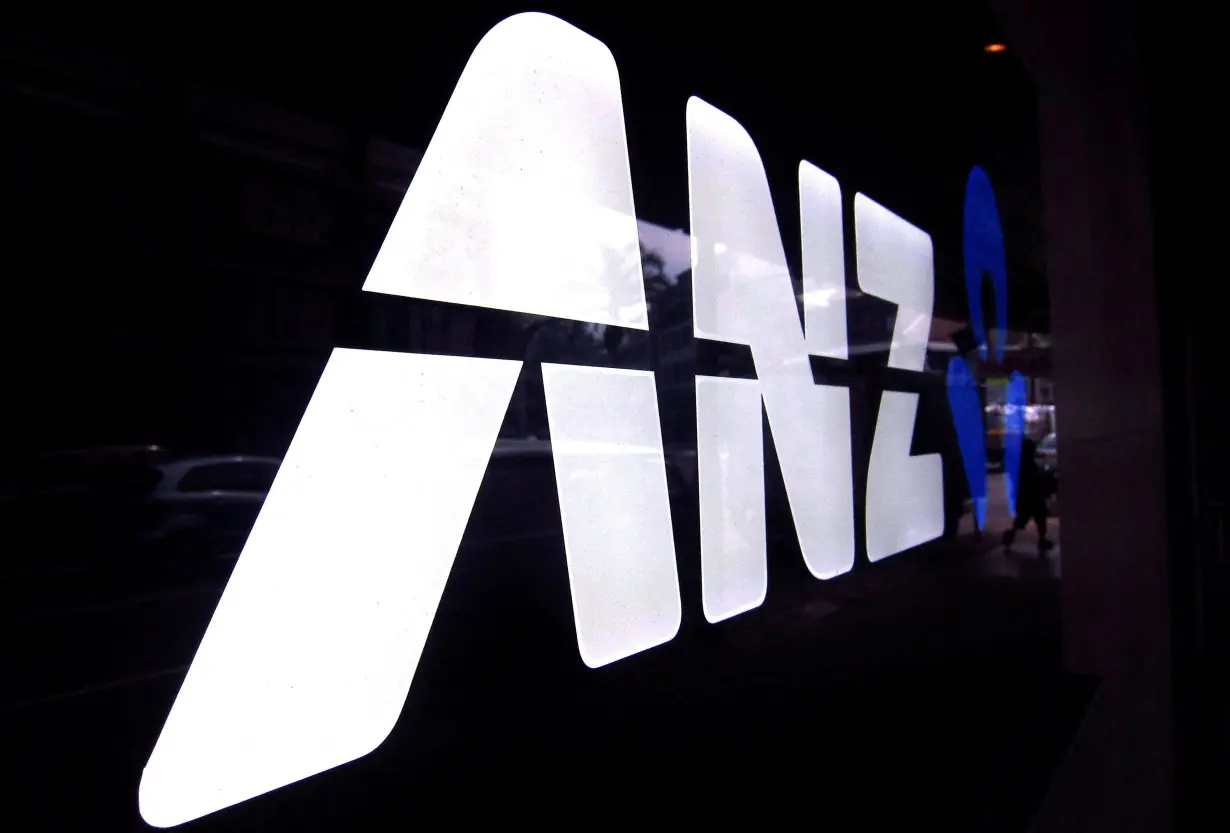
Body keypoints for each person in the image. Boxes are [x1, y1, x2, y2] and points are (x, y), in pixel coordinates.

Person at [1002, 436, 1056, 553]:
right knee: (1030, 519)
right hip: (1030, 496)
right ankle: (1010, 538)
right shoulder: (1026, 464)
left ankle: (1039, 540)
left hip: (1028, 496)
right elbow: (1031, 480)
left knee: (1033, 518)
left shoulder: (1022, 463)